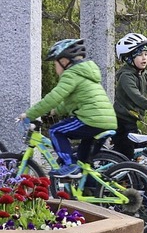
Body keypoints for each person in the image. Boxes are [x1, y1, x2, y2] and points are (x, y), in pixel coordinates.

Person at [19, 38, 117, 177]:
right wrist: (55, 111)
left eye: (55, 62)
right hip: (107, 121)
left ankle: (68, 165)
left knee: (55, 131)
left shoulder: (71, 74)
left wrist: (30, 114)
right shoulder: (85, 73)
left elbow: (54, 97)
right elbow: (73, 101)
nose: (55, 67)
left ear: (64, 61)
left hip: (90, 120)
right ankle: (91, 189)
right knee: (83, 163)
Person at [113, 32, 147, 160]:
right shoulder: (126, 76)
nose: (144, 58)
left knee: (140, 150)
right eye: (139, 54)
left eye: (146, 54)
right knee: (127, 154)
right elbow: (136, 97)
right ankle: (121, 177)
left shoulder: (144, 74)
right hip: (122, 121)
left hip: (132, 120)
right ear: (128, 58)